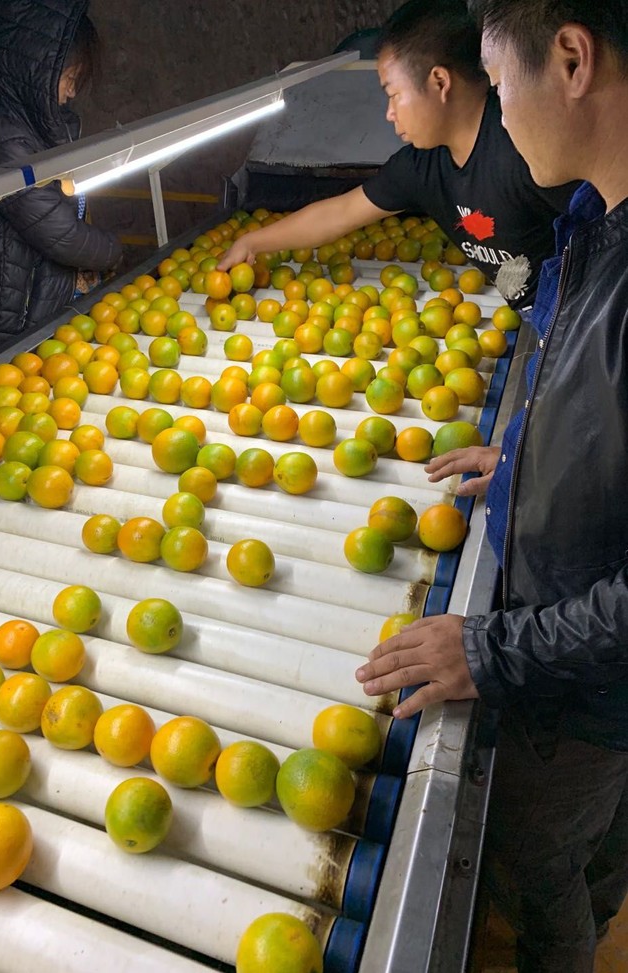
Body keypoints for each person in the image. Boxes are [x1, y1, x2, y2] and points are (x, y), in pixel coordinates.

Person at [356, 2, 628, 970]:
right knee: (596, 844)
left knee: (532, 856)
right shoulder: (593, 223)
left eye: (502, 85)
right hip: (575, 656)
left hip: (585, 681)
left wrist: (493, 646)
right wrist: (524, 452)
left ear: (572, 59)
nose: (500, 117)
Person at [219, 0, 577, 312]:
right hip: (542, 321)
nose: (390, 113)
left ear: (440, 82)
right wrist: (251, 242)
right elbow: (338, 213)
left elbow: (601, 235)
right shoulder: (422, 168)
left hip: (580, 317)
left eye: (393, 94)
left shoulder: (526, 147)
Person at [0, 0, 122, 348]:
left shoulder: (28, 116)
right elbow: (59, 233)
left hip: (41, 297)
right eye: (69, 79)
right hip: (20, 310)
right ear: (36, 70)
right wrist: (115, 252)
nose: (71, 93)